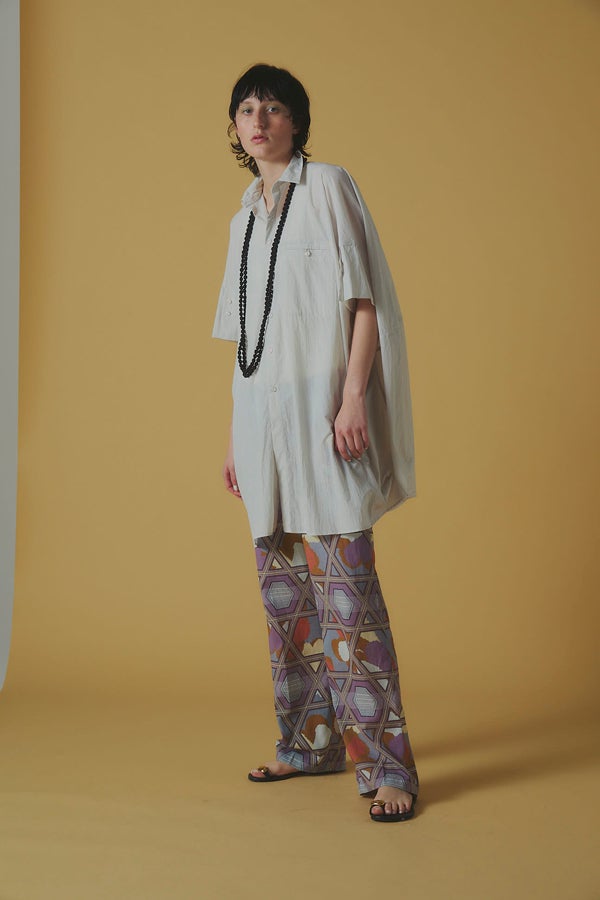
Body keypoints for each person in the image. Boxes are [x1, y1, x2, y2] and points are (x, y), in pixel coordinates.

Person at [212, 63, 419, 822]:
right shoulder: (242, 220)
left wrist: (353, 396)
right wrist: (235, 438)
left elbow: (364, 301)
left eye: (272, 108)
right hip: (261, 431)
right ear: (235, 128)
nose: (258, 120)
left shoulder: (329, 186)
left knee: (347, 598)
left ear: (296, 120)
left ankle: (389, 769)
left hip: (324, 420)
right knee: (287, 600)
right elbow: (246, 343)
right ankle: (310, 744)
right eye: (246, 110)